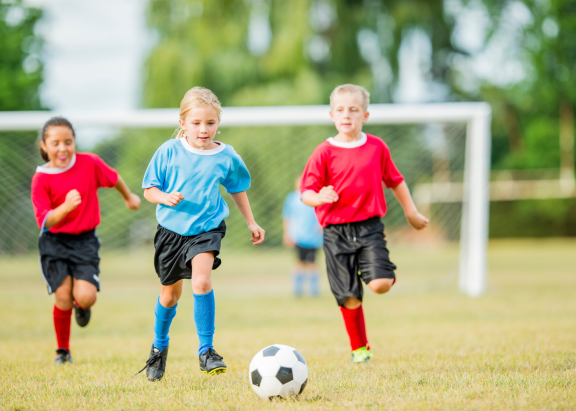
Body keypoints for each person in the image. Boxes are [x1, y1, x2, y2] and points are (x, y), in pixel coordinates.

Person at [136, 87, 265, 381]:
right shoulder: (168, 151)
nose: (203, 129)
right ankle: (159, 347)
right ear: (183, 123)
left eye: (209, 122)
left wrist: (251, 222)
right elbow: (149, 190)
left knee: (202, 280)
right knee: (169, 296)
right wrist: (164, 197)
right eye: (196, 123)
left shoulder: (227, 155)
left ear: (218, 122)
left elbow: (236, 189)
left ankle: (206, 351)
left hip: (206, 229)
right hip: (171, 232)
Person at [300, 84, 429, 363]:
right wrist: (319, 196)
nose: (347, 115)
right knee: (348, 295)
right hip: (335, 232)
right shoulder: (323, 152)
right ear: (332, 114)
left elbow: (395, 181)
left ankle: (383, 271)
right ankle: (360, 350)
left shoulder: (377, 147)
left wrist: (411, 213)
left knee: (380, 284)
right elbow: (306, 193)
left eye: (353, 110)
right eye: (341, 110)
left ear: (365, 115)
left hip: (369, 228)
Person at [31, 117, 141, 365]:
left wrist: (129, 197)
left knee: (86, 296)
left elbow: (113, 178)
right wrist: (66, 207)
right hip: (54, 243)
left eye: (68, 142)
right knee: (62, 296)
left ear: (74, 143)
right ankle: (63, 352)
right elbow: (44, 220)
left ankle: (82, 305)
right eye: (55, 143)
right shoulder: (41, 179)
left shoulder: (89, 163)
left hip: (85, 242)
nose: (62, 148)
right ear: (44, 146)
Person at [282, 176, 323, 297]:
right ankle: (298, 291)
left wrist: (320, 226)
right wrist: (287, 234)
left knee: (313, 263)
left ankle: (314, 291)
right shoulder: (292, 198)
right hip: (298, 237)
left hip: (313, 238)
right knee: (299, 263)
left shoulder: (314, 197)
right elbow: (287, 217)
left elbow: (321, 213)